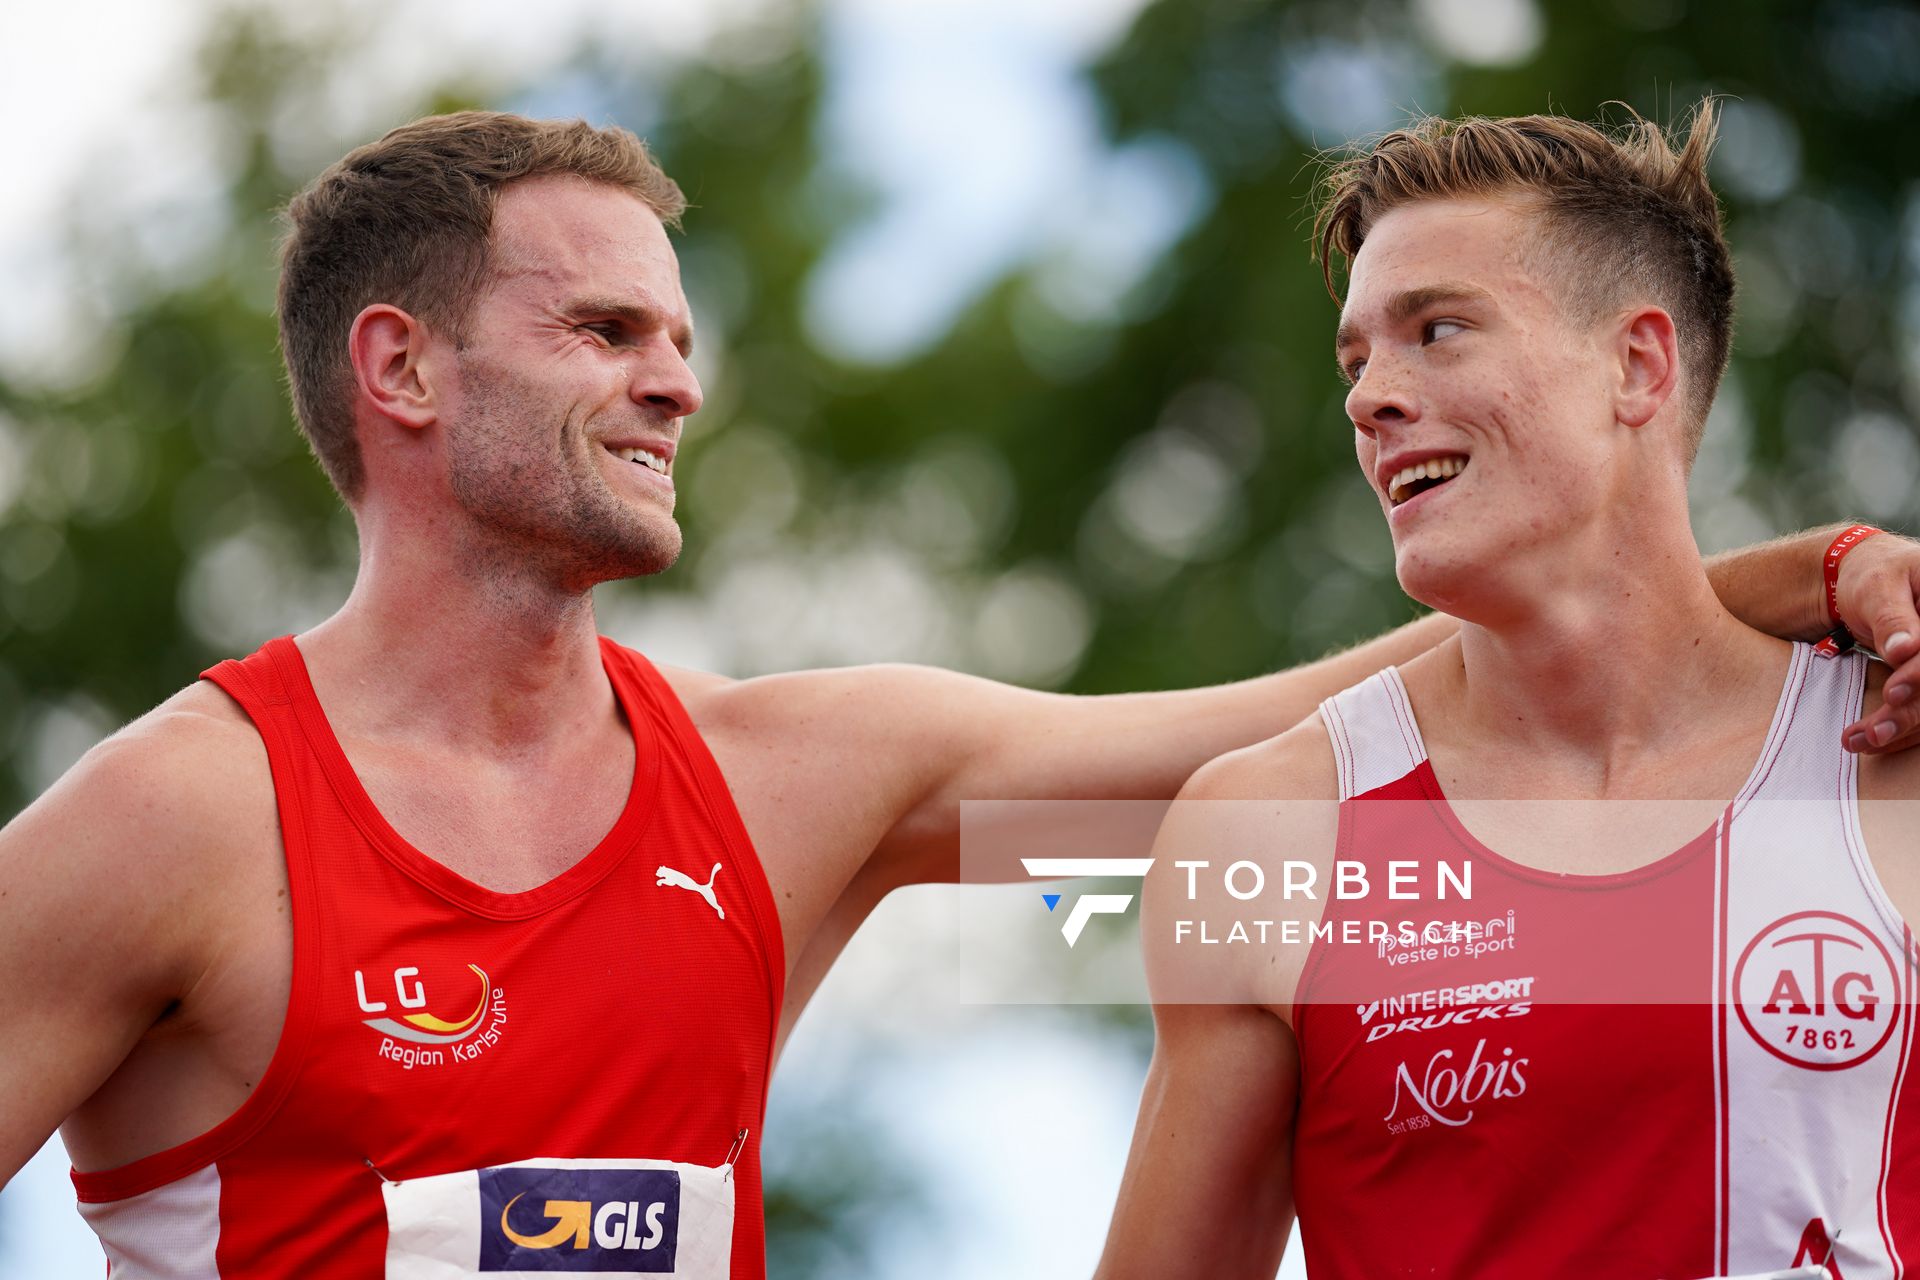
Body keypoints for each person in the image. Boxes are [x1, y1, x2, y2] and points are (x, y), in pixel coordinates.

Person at [0, 112, 1913, 1280]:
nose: (676, 383)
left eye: (680, 336)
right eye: (603, 330)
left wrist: (1770, 590)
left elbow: (1316, 723)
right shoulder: (178, 822)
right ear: (400, 371)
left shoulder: (793, 783)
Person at [1096, 102, 1920, 1279]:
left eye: (1436, 331)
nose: (1369, 394)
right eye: (1358, 355)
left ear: (1637, 365)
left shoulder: (1890, 738)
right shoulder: (1274, 826)